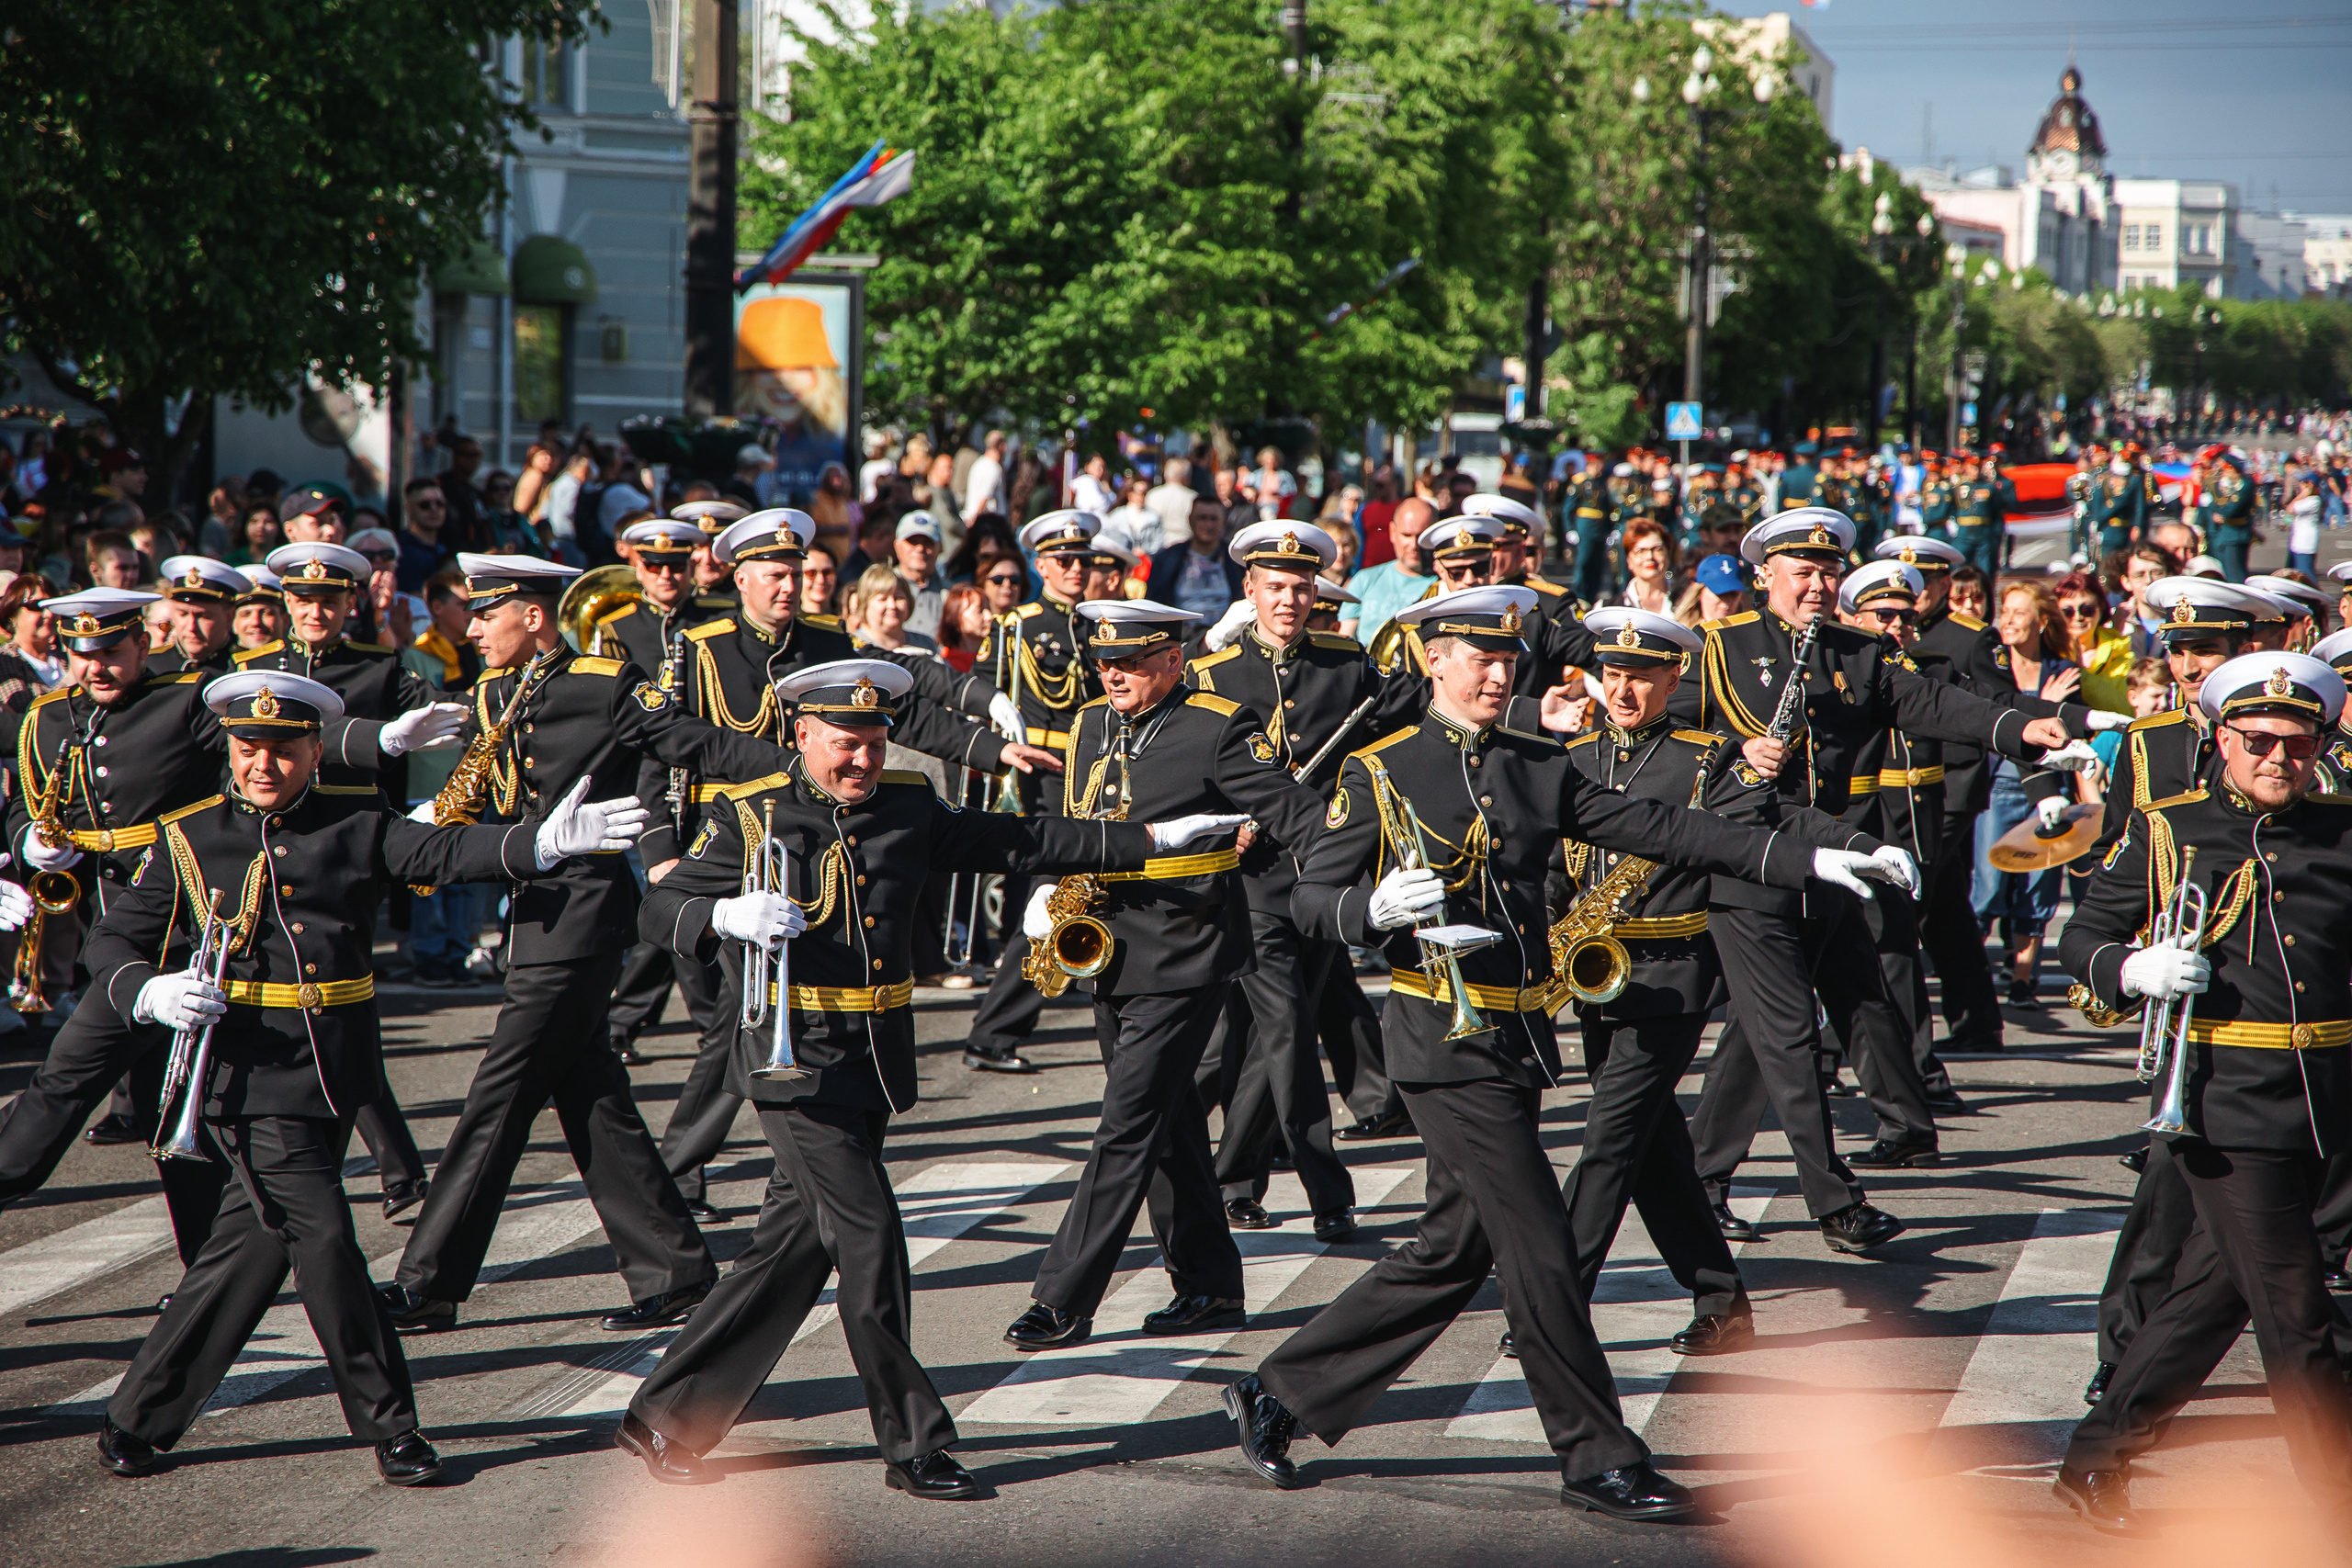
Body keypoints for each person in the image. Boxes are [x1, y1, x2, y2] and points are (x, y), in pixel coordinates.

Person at [1222, 585, 1889, 1518]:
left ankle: (1279, 1391)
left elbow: (1665, 829)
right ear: (1434, 663)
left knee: (1452, 1249)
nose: (1499, 675)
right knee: (1538, 1253)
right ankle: (1597, 1457)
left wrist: (1809, 860)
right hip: (1439, 1041)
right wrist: (1363, 913)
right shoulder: (1384, 769)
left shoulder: (1537, 764)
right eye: (1479, 660)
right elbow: (1305, 900)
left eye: (1508, 661)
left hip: (1516, 1035)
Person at [613, 660, 1237, 1494]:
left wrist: (1154, 839)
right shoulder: (752, 812)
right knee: (871, 1242)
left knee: (789, 1253)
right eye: (845, 744)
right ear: (802, 734)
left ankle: (664, 1414)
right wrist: (718, 913)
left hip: (869, 1062)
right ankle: (913, 1442)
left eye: (874, 742)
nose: (863, 760)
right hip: (791, 1065)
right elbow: (656, 909)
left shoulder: (908, 804)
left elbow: (1022, 841)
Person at [87, 670, 641, 1487]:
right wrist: (147, 989)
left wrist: (537, 844)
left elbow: (441, 850)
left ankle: (137, 1415)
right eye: (248, 750)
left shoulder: (353, 820)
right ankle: (393, 1424)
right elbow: (112, 942)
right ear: (230, 752)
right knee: (328, 1244)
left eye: (282, 750)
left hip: (334, 1075)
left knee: (244, 1252)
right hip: (250, 1079)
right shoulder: (190, 837)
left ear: (316, 749)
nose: (263, 766)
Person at [378, 554, 802, 1333]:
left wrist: (796, 763)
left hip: (583, 916)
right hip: (531, 908)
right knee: (591, 1097)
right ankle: (673, 1269)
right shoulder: (492, 693)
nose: (471, 629)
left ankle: (429, 1277)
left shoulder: (602, 683)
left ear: (532, 616)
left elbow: (693, 742)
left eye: (486, 614)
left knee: (496, 1097)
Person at [1679, 511, 2097, 1238]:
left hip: (1836, 864)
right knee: (1792, 1037)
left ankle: (1701, 1181)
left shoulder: (1860, 651)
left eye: (1827, 571)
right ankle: (1836, 1202)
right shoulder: (1719, 649)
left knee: (1770, 1029)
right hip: (1752, 866)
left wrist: (2019, 729)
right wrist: (1731, 751)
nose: (1817, 584)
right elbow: (1666, 732)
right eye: (1802, 572)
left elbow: (1933, 702)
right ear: (1763, 576)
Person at [2054, 650, 2352, 1532]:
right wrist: (2131, 967)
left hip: (2330, 1100)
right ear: (2222, 738)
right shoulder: (2171, 830)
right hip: (2227, 1100)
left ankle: (2095, 1455)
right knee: (2297, 1311)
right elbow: (2087, 938)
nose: (2278, 759)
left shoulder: (2344, 830)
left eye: (2300, 745)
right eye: (2258, 740)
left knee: (2215, 1294)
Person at [1000, 599, 1324, 1352]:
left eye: (1134, 659)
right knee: (1171, 1125)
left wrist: (1342, 893)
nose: (1113, 671)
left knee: (1127, 1123)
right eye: (1105, 660)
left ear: (1172, 660)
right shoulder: (1088, 724)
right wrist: (1050, 882)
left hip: (1185, 950)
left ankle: (1063, 1297)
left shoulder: (1217, 725)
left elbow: (1297, 814)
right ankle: (1210, 1283)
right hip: (1108, 949)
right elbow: (1080, 818)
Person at [1183, 523, 1422, 1235]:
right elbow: (1189, 772)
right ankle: (1328, 1191)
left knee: (1268, 1037)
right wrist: (1229, 821)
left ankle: (1233, 1178)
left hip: (1330, 879)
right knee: (1287, 1028)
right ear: (1249, 590)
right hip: (1253, 884)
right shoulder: (1213, 675)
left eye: (1301, 586)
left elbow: (1423, 713)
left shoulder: (1347, 664)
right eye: (1276, 586)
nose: (1289, 599)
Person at [1340, 498, 1435, 642]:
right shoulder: (1364, 580)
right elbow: (1345, 637)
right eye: (1406, 535)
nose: (1413, 545)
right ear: (1392, 532)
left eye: (1421, 536)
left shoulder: (1445, 584)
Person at [1149, 495, 1245, 621]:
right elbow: (1153, 603)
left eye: (1214, 519)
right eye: (1202, 518)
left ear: (1224, 521)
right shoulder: (1167, 559)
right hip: (1181, 635)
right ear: (1190, 520)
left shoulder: (1236, 559)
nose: (1208, 525)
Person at [146, 556, 244, 675]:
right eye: (183, 614)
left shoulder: (244, 669)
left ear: (229, 617)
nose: (192, 627)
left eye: (203, 616)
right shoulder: (149, 666)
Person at [2055, 570, 2133, 715]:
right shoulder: (2047, 651)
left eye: (2087, 610)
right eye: (2067, 611)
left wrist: (2082, 674)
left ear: (2101, 609)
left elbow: (2122, 707)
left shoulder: (2119, 651)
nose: (2077, 617)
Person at [891, 515, 947, 640]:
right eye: (913, 541)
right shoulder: (878, 591)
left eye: (928, 543)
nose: (920, 548)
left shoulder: (951, 594)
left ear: (941, 548)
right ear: (896, 546)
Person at [396, 479, 455, 592]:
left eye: (440, 503)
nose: (434, 509)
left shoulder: (442, 549)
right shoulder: (401, 551)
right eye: (425, 505)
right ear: (408, 508)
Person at [1616, 518, 1676, 615]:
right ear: (1629, 560)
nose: (1650, 557)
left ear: (1668, 554)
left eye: (1657, 549)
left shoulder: (1688, 600)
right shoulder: (1609, 608)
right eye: (1640, 551)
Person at [1674, 553, 1749, 628]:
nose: (1727, 600)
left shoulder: (1750, 632)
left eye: (1733, 594)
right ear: (1700, 592)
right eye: (1720, 593)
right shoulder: (1682, 634)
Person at [962, 430, 1009, 527]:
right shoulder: (992, 468)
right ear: (1001, 446)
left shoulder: (979, 463)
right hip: (988, 523)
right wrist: (973, 524)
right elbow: (984, 497)